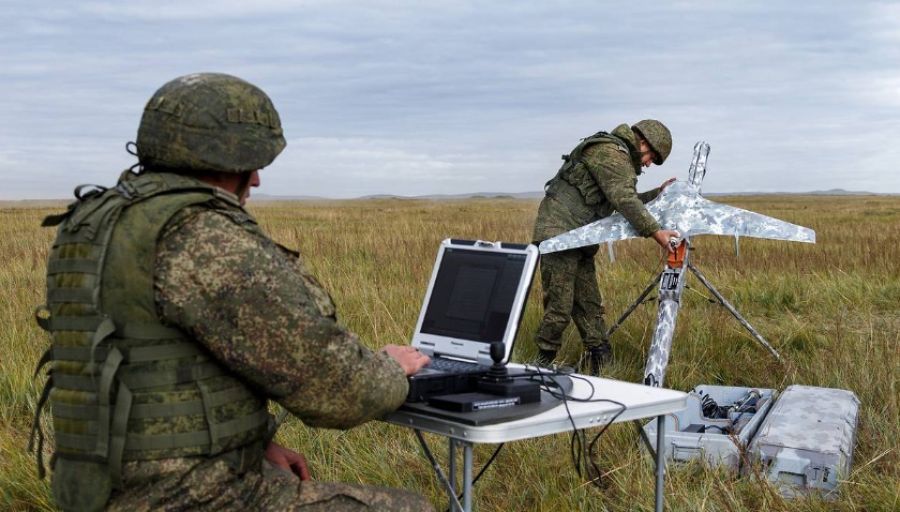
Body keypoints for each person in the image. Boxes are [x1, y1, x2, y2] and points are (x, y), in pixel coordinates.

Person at [30, 73, 434, 511]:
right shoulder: (201, 236)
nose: (256, 180)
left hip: (99, 490)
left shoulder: (97, 223)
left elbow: (151, 367)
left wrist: (255, 446)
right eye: (250, 165)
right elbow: (340, 391)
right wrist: (391, 369)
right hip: (184, 499)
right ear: (226, 162)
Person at [531, 120, 680, 374]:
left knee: (589, 303)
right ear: (642, 142)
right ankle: (539, 366)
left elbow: (622, 199)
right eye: (650, 157)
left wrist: (659, 193)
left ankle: (602, 362)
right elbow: (624, 200)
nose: (647, 164)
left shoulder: (617, 159)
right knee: (560, 305)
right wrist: (658, 234)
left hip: (579, 238)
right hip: (560, 236)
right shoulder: (611, 153)